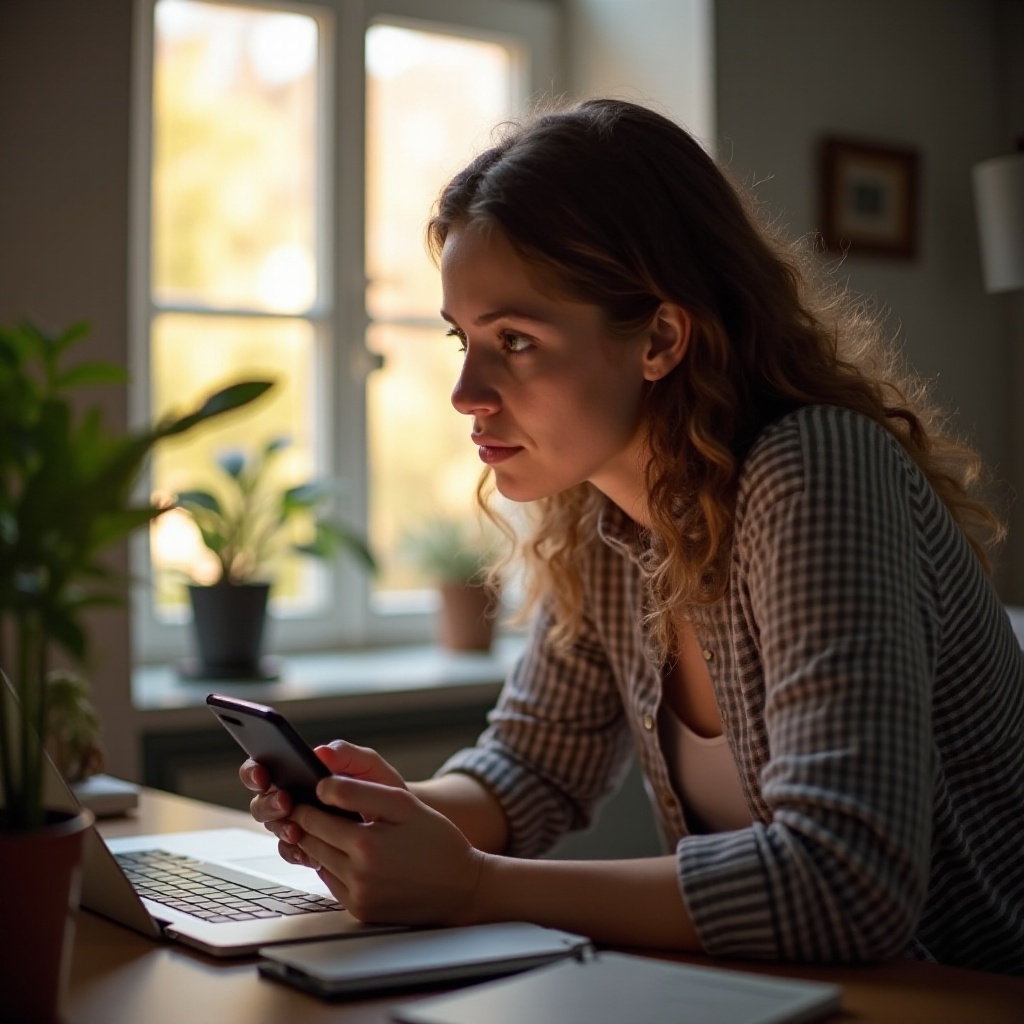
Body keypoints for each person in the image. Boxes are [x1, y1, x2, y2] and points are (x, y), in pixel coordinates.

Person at [241, 98, 1024, 974]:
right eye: (463, 338)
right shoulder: (599, 513)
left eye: (516, 340)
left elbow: (843, 886)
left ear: (659, 337)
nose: (466, 390)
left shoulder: (816, 472)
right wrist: (379, 819)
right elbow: (530, 770)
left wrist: (472, 886)